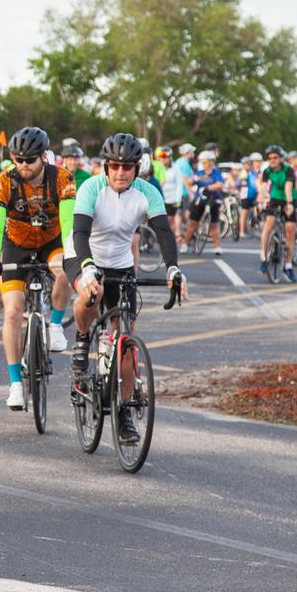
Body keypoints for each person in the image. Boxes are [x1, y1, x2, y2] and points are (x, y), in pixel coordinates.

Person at [65, 133, 184, 443]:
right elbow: (79, 231)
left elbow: (164, 233)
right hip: (83, 254)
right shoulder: (92, 187)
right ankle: (81, 341)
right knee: (93, 293)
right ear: (106, 167)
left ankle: (124, 412)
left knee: (126, 344)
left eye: (127, 167)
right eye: (115, 166)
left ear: (136, 168)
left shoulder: (148, 193)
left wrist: (173, 267)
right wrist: (88, 266)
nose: (120, 172)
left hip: (119, 262)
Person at [0, 127, 77, 410]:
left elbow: (69, 222)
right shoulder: (4, 182)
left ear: (43, 157)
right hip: (17, 244)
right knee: (12, 311)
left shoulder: (62, 178)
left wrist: (73, 254)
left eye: (30, 160)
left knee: (64, 269)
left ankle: (56, 323)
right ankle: (14, 384)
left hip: (52, 241)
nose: (23, 165)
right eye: (19, 159)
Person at [259, 144, 297, 282]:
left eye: (275, 157)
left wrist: (289, 204)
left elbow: (288, 188)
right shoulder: (267, 171)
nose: (272, 160)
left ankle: (288, 265)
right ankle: (263, 258)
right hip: (275, 198)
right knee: (268, 224)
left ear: (281, 158)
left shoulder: (288, 170)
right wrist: (262, 201)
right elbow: (263, 188)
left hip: (289, 198)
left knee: (289, 231)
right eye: (270, 158)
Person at [181, 150, 224, 255]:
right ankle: (185, 244)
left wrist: (207, 187)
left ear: (211, 162)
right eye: (202, 162)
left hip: (213, 200)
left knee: (214, 225)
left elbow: (219, 184)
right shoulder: (199, 172)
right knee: (192, 223)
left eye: (205, 162)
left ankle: (217, 247)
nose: (203, 164)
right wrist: (192, 180)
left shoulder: (216, 173)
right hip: (200, 199)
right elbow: (190, 182)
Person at [157, 146, 184, 236]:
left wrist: (178, 200)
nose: (163, 159)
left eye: (165, 157)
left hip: (174, 198)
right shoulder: (157, 167)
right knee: (167, 220)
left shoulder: (176, 167)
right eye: (161, 157)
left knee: (175, 219)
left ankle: (177, 236)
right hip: (162, 198)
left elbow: (180, 184)